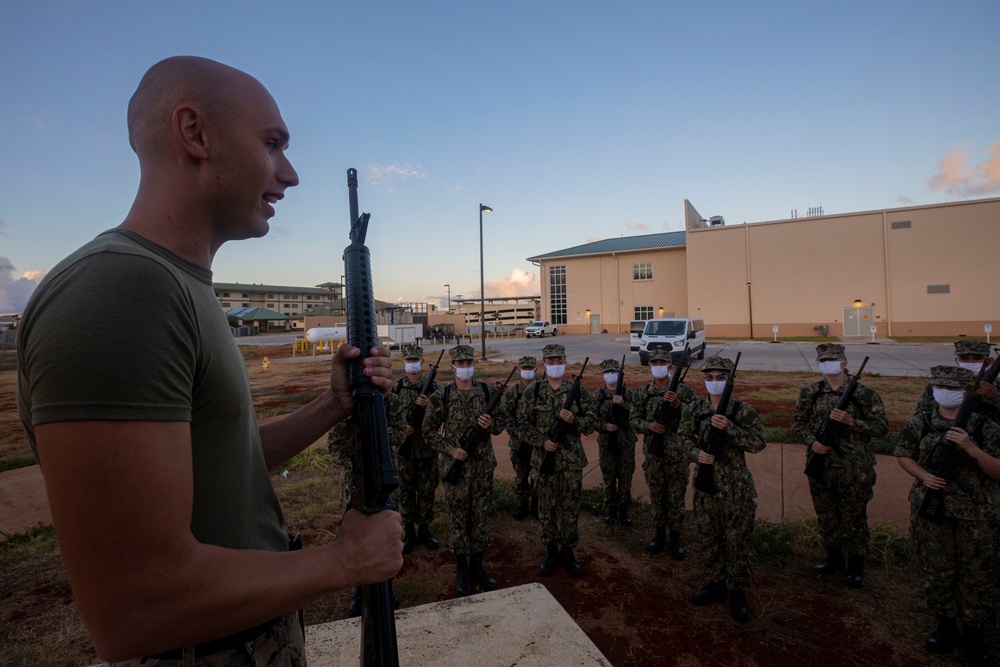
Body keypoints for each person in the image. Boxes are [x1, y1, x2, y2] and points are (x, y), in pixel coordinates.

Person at [14, 56, 403, 664]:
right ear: (194, 133)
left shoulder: (176, 286)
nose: (290, 174)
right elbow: (133, 607)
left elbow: (222, 466)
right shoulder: (122, 289)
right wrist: (344, 562)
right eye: (272, 144)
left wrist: (332, 405)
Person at [896, 366, 1000, 666]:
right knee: (938, 571)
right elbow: (903, 454)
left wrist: (972, 449)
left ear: (967, 391)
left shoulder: (986, 427)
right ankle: (946, 626)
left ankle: (975, 635)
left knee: (978, 577)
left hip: (977, 518)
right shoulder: (922, 422)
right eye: (939, 385)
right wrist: (925, 477)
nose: (944, 390)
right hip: (933, 510)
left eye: (952, 386)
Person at [792, 343, 888, 588]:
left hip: (853, 468)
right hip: (821, 466)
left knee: (854, 516)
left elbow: (881, 428)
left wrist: (851, 421)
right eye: (824, 360)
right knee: (826, 514)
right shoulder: (810, 392)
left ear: (844, 362)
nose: (829, 364)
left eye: (834, 359)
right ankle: (833, 558)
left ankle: (855, 564)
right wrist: (812, 442)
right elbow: (799, 424)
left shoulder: (864, 394)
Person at [679, 355, 766, 624]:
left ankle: (737, 591)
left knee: (736, 541)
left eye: (721, 378)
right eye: (710, 377)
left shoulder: (743, 411)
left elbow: (758, 443)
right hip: (706, 486)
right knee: (709, 537)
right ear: (703, 379)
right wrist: (696, 454)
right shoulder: (694, 410)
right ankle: (716, 582)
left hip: (735, 488)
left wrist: (731, 428)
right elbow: (681, 440)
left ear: (729, 380)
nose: (714, 382)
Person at [421, 344, 505, 596]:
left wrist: (491, 424)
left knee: (479, 518)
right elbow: (427, 432)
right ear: (453, 367)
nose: (466, 367)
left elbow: (502, 424)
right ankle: (461, 569)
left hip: (481, 469)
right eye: (461, 364)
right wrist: (450, 449)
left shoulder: (488, 392)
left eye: (469, 363)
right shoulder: (442, 396)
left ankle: (477, 567)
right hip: (455, 470)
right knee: (458, 520)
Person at [517, 343, 595, 578]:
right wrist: (541, 442)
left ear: (565, 362)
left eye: (559, 360)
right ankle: (551, 550)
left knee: (570, 506)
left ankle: (568, 550)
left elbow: (592, 423)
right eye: (550, 361)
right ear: (543, 364)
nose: (555, 365)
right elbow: (522, 425)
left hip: (571, 462)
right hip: (543, 460)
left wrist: (574, 420)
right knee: (546, 506)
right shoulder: (533, 391)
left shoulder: (578, 390)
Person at [327, 390, 407, 617]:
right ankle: (359, 589)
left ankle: (386, 586)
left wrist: (377, 436)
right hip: (356, 481)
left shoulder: (393, 402)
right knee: (358, 533)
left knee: (385, 529)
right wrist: (356, 453)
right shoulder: (347, 405)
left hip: (383, 474)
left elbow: (401, 434)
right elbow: (334, 446)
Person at [630, 349, 696, 559]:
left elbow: (695, 418)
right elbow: (632, 420)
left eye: (663, 362)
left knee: (676, 497)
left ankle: (675, 537)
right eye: (655, 362)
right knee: (657, 495)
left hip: (677, 454)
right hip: (654, 454)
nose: (659, 366)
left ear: (669, 365)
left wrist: (678, 404)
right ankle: (659, 535)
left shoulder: (683, 391)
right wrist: (648, 425)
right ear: (650, 366)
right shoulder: (642, 393)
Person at [390, 343, 442, 554]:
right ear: (403, 362)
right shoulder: (396, 388)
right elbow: (388, 417)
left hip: (427, 449)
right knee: (405, 491)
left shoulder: (434, 388)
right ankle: (409, 531)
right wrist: (403, 429)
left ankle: (425, 529)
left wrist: (429, 404)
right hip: (404, 450)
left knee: (427, 490)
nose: (412, 364)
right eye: (408, 360)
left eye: (415, 360)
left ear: (422, 362)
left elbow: (442, 416)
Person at [592, 358, 637, 526]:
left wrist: (625, 405)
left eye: (614, 372)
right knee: (609, 478)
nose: (611, 375)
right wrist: (604, 426)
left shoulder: (628, 394)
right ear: (603, 375)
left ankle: (624, 511)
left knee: (625, 478)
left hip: (625, 443)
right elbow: (590, 420)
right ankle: (610, 509)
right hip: (606, 444)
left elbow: (637, 418)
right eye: (607, 372)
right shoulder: (598, 395)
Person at [496, 355, 540, 520]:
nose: (527, 371)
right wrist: (516, 431)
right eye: (525, 368)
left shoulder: (541, 390)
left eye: (530, 368)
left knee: (537, 476)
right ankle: (522, 505)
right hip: (518, 442)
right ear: (520, 370)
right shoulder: (512, 393)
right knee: (521, 477)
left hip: (536, 443)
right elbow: (505, 416)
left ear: (535, 370)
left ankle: (536, 505)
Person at [915, 340, 999, 422]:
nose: (971, 362)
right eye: (964, 358)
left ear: (990, 361)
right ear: (957, 361)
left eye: (978, 358)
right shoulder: (941, 384)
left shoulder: (996, 385)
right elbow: (921, 415)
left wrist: (996, 398)